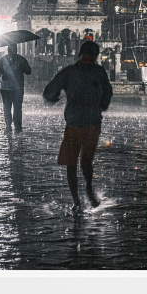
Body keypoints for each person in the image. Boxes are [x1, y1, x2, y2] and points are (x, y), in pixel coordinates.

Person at [42, 38, 113, 210]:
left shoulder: (97, 72)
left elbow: (107, 92)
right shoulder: (70, 73)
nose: (88, 58)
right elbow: (50, 90)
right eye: (86, 55)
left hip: (91, 123)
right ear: (80, 54)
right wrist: (54, 97)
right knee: (71, 163)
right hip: (74, 123)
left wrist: (101, 105)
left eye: (91, 56)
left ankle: (88, 188)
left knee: (86, 162)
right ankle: (76, 200)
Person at [0, 42, 32, 130]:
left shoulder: (3, 59)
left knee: (9, 107)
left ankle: (11, 125)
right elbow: (29, 71)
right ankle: (15, 125)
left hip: (9, 88)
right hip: (14, 88)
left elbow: (28, 71)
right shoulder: (21, 59)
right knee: (15, 107)